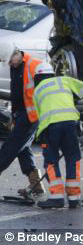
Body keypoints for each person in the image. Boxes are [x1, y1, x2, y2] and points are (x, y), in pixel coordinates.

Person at [32, 62, 83, 209]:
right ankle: (74, 198)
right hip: (71, 125)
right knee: (73, 159)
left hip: (50, 127)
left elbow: (41, 117)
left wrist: (41, 137)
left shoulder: (37, 91)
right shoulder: (64, 80)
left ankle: (57, 198)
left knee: (51, 162)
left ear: (37, 77)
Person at [0, 41, 44, 198]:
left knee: (11, 146)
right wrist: (13, 115)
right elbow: (17, 92)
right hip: (21, 114)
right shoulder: (15, 66)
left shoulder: (34, 65)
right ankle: (36, 183)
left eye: (10, 61)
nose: (9, 64)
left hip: (32, 115)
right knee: (22, 147)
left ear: (16, 53)